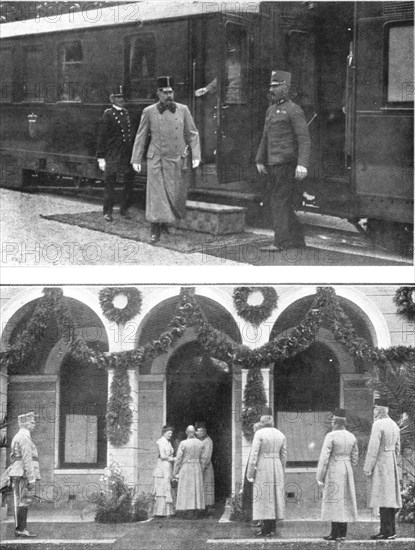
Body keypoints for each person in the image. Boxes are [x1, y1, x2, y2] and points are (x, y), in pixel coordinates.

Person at [131, 76, 201, 244]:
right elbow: (140, 136)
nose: (169, 95)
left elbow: (192, 133)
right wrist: (136, 158)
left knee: (174, 193)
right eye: (165, 92)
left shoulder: (183, 109)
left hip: (176, 158)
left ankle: (166, 224)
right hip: (157, 159)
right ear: (158, 93)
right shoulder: (149, 111)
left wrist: (196, 155)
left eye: (171, 92)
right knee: (157, 195)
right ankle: (155, 229)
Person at [256, 70, 311, 252]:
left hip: (287, 164)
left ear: (285, 88)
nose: (272, 89)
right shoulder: (270, 110)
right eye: (271, 86)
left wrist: (302, 164)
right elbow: (265, 136)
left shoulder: (294, 110)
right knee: (282, 202)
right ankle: (297, 240)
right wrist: (259, 159)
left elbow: (304, 139)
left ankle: (280, 242)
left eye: (276, 86)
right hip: (273, 163)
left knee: (278, 202)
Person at [316, 408, 359, 541]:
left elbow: (324, 458)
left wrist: (320, 476)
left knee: (335, 500)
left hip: (334, 468)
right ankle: (343, 533)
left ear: (334, 422)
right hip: (347, 468)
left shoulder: (331, 436)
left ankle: (335, 533)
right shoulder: (352, 436)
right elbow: (355, 457)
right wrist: (349, 466)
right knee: (344, 499)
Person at [364, 398, 402, 540]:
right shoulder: (394, 425)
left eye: (374, 409)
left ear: (379, 410)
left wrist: (368, 467)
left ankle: (386, 531)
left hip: (380, 463)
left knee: (382, 496)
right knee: (389, 497)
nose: (373, 412)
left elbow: (373, 448)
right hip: (391, 463)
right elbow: (398, 448)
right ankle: (390, 530)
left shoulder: (378, 425)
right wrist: (392, 459)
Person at [96, 86, 134, 222]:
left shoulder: (125, 113)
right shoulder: (108, 114)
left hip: (125, 154)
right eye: (118, 97)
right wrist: (101, 157)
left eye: (122, 97)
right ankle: (107, 211)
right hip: (113, 154)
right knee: (110, 184)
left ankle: (124, 209)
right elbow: (102, 137)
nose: (121, 100)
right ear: (112, 99)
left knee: (128, 182)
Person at [246, 412, 287, 537]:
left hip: (263, 465)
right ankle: (272, 528)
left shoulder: (259, 433)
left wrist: (250, 473)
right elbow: (284, 455)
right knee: (274, 496)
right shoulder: (281, 434)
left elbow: (254, 455)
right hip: (277, 465)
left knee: (264, 497)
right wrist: (282, 470)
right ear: (272, 421)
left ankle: (266, 529)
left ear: (262, 422)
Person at [8, 412, 40, 538]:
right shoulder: (25, 438)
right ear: (26, 424)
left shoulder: (17, 436)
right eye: (32, 422)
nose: (34, 424)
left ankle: (19, 529)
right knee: (24, 500)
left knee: (19, 500)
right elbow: (27, 459)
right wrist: (31, 478)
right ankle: (21, 529)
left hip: (17, 471)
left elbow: (13, 456)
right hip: (23, 473)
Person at [172, 425, 205, 516]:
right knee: (195, 488)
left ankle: (187, 510)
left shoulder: (183, 443)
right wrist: (200, 468)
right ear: (194, 432)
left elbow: (178, 459)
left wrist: (175, 472)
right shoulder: (200, 443)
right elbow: (202, 459)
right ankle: (195, 509)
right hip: (197, 467)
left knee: (186, 488)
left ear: (186, 432)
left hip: (186, 467)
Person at [152, 425, 176, 517]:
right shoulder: (160, 442)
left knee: (168, 486)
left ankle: (168, 511)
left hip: (168, 466)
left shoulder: (168, 442)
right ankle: (160, 512)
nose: (170, 435)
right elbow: (162, 456)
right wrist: (173, 459)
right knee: (161, 488)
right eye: (169, 433)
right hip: (162, 465)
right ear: (164, 433)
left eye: (171, 433)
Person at [242, 421, 262, 523]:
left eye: (255, 430)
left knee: (253, 493)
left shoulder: (258, 441)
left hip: (255, 472)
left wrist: (250, 474)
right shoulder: (256, 440)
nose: (254, 432)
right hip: (251, 470)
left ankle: (254, 517)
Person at [195, 421, 215, 511]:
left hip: (205, 467)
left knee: (207, 487)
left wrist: (201, 468)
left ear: (204, 431)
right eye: (197, 431)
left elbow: (206, 456)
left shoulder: (208, 441)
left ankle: (208, 506)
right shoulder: (198, 440)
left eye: (200, 431)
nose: (198, 433)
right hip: (198, 466)